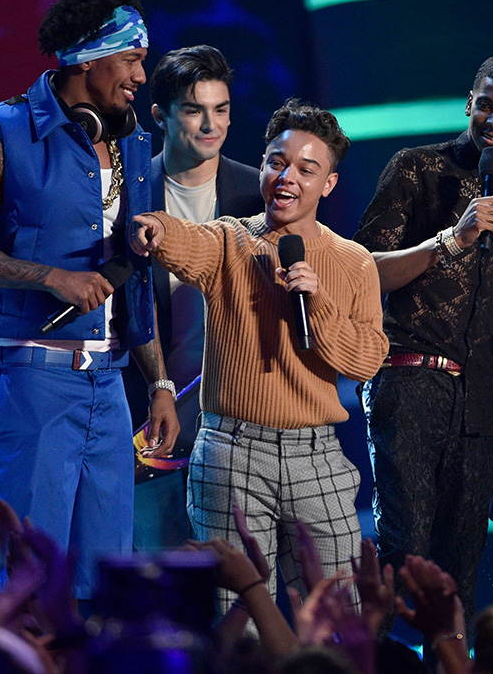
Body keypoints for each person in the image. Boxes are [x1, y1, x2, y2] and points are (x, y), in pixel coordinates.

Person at [0, 0, 178, 600]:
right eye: (132, 60)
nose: (142, 77)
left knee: (110, 580)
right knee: (29, 577)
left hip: (112, 388)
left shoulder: (134, 146)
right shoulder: (3, 136)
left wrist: (161, 384)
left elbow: (132, 283)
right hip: (31, 386)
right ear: (88, 59)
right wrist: (48, 276)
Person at [129, 98, 388, 613]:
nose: (285, 177)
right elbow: (183, 240)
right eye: (276, 162)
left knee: (341, 616)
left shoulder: (353, 261)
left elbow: (367, 359)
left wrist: (319, 303)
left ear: (328, 185)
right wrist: (156, 229)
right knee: (236, 618)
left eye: (305, 169)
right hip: (230, 452)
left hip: (316, 454)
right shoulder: (231, 239)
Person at [354, 52, 493, 629]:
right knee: (404, 552)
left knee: (460, 566)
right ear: (470, 103)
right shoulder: (416, 168)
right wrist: (452, 240)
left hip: (484, 400)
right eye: (486, 105)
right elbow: (363, 271)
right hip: (409, 378)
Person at [128, 44, 262, 550]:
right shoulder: (131, 193)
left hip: (238, 423)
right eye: (194, 109)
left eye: (221, 110)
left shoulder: (259, 193)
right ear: (160, 115)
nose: (211, 124)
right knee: (153, 577)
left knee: (238, 581)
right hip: (149, 417)